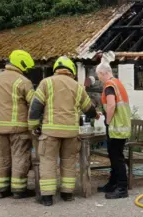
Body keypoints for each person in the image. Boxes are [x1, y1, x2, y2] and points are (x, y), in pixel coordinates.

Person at [28, 56, 97, 206]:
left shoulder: (46, 83)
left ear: (56, 69)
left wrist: (33, 126)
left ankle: (47, 197)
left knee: (48, 162)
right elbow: (88, 109)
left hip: (50, 133)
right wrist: (95, 113)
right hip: (71, 133)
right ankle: (67, 194)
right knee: (68, 162)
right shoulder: (77, 86)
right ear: (71, 70)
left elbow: (35, 107)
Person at [0, 50, 35, 199]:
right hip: (18, 127)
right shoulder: (23, 82)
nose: (26, 71)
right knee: (19, 157)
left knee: (2, 157)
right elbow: (34, 104)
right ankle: (18, 190)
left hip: (0, 127)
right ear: (22, 63)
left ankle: (2, 189)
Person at [95, 62, 132, 199]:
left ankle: (122, 188)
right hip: (122, 125)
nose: (99, 78)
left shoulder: (109, 86)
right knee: (115, 156)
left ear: (104, 73)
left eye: (99, 75)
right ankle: (113, 183)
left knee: (116, 158)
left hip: (116, 126)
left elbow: (111, 106)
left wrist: (107, 121)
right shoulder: (118, 83)